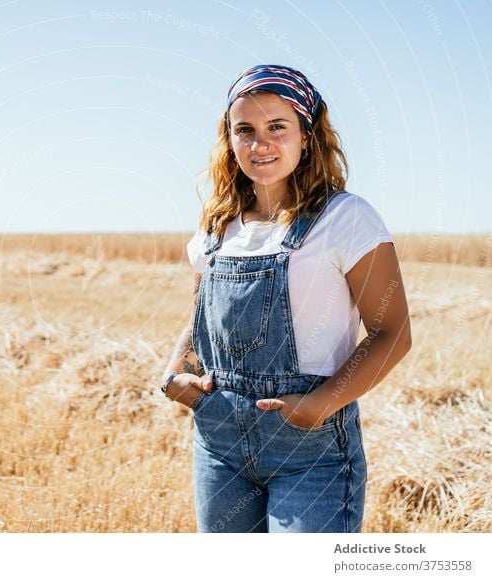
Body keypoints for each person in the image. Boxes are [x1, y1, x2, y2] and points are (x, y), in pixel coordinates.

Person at [158, 64, 411, 533]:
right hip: (219, 444)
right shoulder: (217, 225)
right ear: (229, 140)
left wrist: (321, 404)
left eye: (278, 127)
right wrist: (178, 373)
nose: (261, 144)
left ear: (307, 136)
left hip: (308, 450)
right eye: (245, 130)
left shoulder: (346, 218)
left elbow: (391, 333)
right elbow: (199, 320)